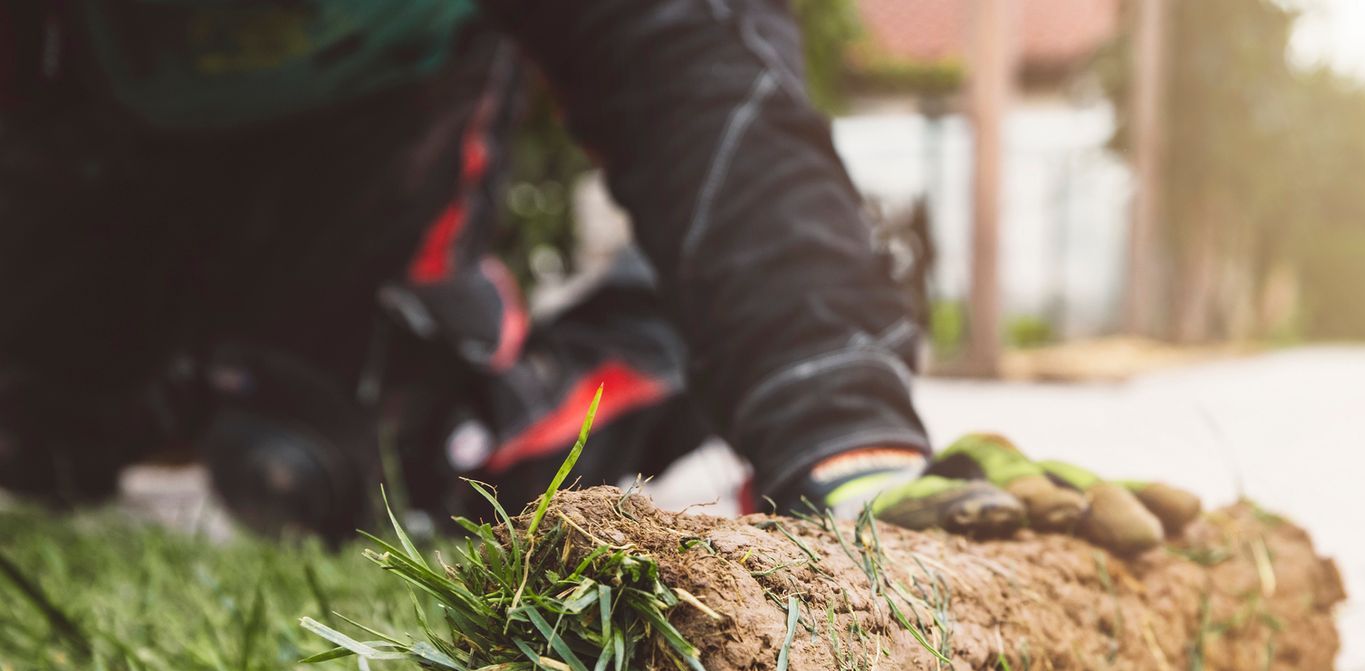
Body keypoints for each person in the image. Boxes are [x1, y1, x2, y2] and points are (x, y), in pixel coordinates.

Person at [0, 1, 1191, 552]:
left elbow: (706, 84)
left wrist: (848, 440)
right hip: (64, 214)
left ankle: (666, 334)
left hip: (352, 233)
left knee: (401, 465)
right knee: (51, 434)